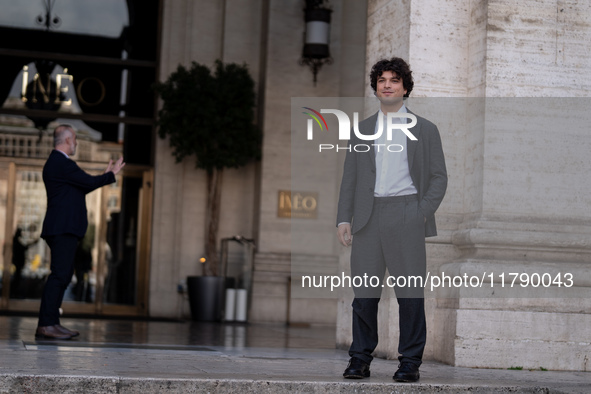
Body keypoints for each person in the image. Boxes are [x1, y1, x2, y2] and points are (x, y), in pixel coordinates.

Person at [336, 57, 447, 382]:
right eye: (382, 80)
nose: (387, 84)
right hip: (368, 219)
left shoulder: (425, 130)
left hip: (406, 214)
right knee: (365, 295)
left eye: (394, 80)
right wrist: (344, 218)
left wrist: (420, 213)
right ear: (375, 87)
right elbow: (350, 178)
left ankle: (409, 362)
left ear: (405, 87)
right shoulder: (362, 131)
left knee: (410, 295)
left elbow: (439, 177)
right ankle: (359, 359)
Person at [36, 124, 125, 339]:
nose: (76, 143)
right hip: (62, 228)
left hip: (64, 228)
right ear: (67, 140)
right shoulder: (61, 163)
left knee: (63, 275)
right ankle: (46, 324)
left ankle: (52, 323)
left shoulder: (60, 165)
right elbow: (87, 181)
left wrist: (104, 176)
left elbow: (84, 185)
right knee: (59, 275)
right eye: (74, 139)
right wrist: (110, 175)